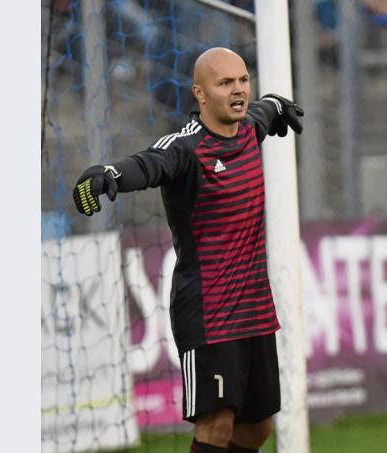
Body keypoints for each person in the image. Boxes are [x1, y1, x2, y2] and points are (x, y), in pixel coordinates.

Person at [71, 47, 304, 453]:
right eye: (225, 83)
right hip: (208, 312)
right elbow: (148, 163)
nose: (238, 90)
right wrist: (111, 173)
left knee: (257, 428)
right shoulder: (186, 147)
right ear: (200, 93)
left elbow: (266, 110)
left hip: (255, 310)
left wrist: (278, 104)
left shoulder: (250, 126)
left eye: (243, 80)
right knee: (216, 425)